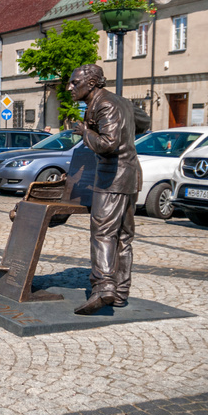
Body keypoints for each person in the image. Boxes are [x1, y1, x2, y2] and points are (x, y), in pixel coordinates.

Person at [67, 64, 150, 315]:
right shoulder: (121, 102)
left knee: (103, 233)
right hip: (129, 175)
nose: (70, 87)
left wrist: (86, 132)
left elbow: (107, 144)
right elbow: (144, 122)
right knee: (123, 236)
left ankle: (104, 287)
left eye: (75, 83)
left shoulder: (104, 104)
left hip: (112, 178)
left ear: (91, 84)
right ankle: (120, 293)